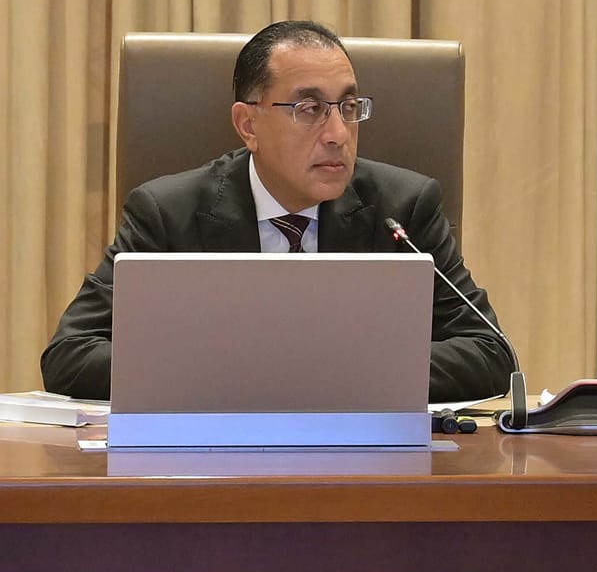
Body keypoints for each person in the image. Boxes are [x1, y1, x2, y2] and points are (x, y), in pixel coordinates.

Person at [41, 21, 516, 404]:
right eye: (310, 109)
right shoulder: (167, 213)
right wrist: (249, 372)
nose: (338, 134)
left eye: (349, 107)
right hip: (211, 463)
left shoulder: (402, 208)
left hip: (366, 463)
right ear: (249, 124)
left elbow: (491, 352)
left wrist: (326, 372)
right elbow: (70, 355)